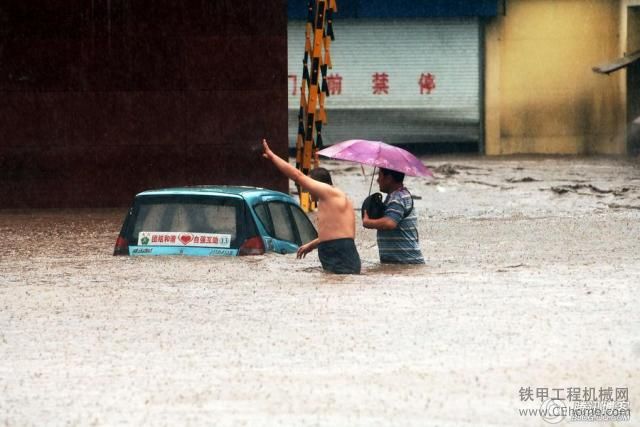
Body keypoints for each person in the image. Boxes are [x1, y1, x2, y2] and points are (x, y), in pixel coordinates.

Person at [261, 139, 361, 274]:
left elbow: (297, 176)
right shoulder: (333, 199)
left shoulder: (330, 193)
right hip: (337, 251)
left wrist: (273, 157)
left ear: (316, 184)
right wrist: (312, 245)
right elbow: (334, 233)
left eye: (308, 187)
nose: (306, 191)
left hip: (339, 253)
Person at [362, 167, 425, 264]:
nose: (378, 180)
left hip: (405, 264)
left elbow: (389, 223)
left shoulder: (398, 197)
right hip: (400, 263)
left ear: (389, 178)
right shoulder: (396, 195)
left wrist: (368, 222)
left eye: (380, 176)